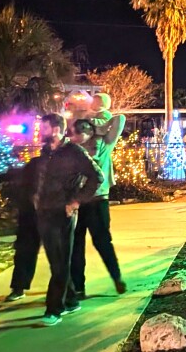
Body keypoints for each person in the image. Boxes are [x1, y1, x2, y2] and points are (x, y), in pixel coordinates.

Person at [35, 115, 102, 326]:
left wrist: (76, 201)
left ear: (56, 129)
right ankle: (71, 299)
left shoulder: (75, 152)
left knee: (61, 260)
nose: (40, 131)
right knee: (56, 259)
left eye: (43, 128)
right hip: (44, 211)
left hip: (63, 213)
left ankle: (54, 308)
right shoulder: (46, 152)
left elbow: (96, 177)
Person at [72, 94, 126, 297]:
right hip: (77, 200)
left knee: (102, 242)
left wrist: (96, 121)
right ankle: (78, 286)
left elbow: (120, 119)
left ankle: (116, 277)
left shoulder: (105, 142)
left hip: (98, 199)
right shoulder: (76, 147)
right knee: (76, 245)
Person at [6, 142, 44, 302]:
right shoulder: (34, 165)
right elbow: (23, 186)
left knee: (60, 255)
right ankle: (19, 286)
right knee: (25, 251)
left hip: (52, 213)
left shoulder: (63, 164)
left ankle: (67, 291)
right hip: (30, 213)